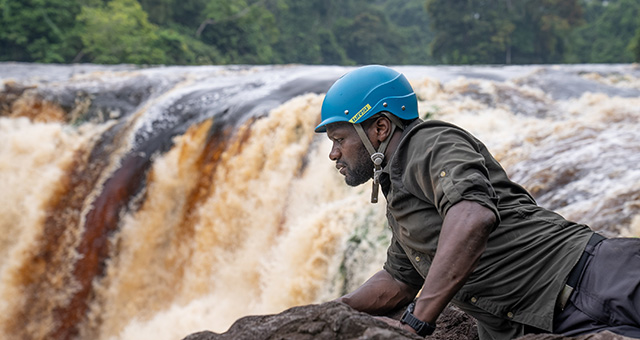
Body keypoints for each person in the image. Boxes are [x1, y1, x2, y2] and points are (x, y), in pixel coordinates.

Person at [315, 65, 640, 339]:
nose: (334, 154)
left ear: (380, 127)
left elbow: (473, 216)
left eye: (339, 140)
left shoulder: (430, 143)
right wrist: (331, 311)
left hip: (594, 279)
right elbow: (399, 280)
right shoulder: (400, 189)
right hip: (554, 317)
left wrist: (417, 320)